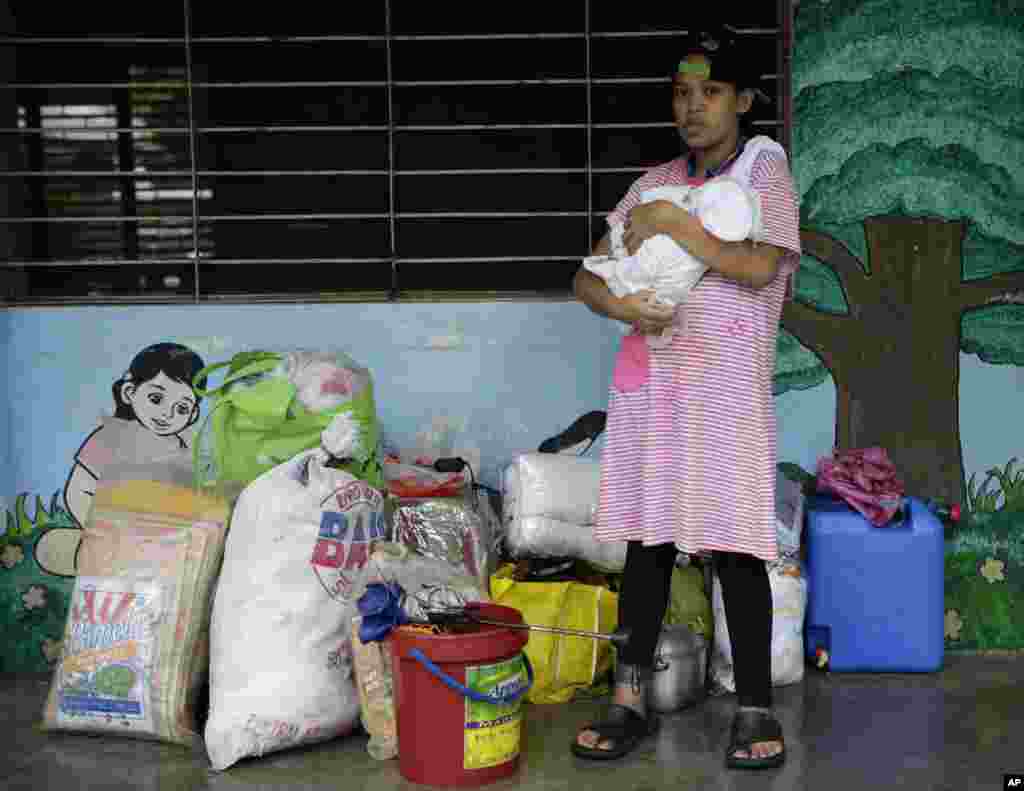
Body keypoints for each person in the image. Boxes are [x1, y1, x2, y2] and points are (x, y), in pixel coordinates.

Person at [570, 26, 801, 771]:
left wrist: (677, 224)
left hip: (727, 391)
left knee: (736, 545)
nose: (693, 106)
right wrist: (623, 308)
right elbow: (586, 276)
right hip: (658, 390)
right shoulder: (651, 183)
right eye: (682, 91)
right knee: (649, 542)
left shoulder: (763, 172)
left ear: (743, 99)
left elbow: (760, 266)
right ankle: (630, 697)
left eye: (710, 91)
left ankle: (755, 706)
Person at [35, 343, 206, 578]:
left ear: (193, 414)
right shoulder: (111, 437)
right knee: (50, 547)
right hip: (111, 532)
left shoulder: (186, 450)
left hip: (163, 539)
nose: (168, 414)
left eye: (182, 408)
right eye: (156, 399)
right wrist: (101, 530)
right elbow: (79, 489)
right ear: (129, 393)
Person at [581, 177, 761, 348]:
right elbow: (584, 280)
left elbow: (761, 270)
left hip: (723, 370)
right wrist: (620, 308)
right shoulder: (650, 182)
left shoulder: (759, 173)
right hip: (642, 371)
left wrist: (667, 216)